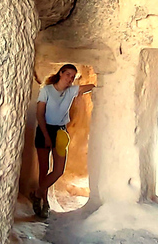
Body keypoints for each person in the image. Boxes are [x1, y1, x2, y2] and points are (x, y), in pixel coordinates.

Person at [31, 64, 94, 218]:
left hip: (60, 132)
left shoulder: (71, 91)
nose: (70, 79)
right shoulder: (47, 90)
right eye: (67, 75)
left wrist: (84, 90)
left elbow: (91, 86)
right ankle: (44, 202)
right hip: (45, 130)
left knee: (58, 170)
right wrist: (46, 135)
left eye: (73, 76)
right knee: (44, 169)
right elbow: (39, 114)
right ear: (60, 73)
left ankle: (37, 194)